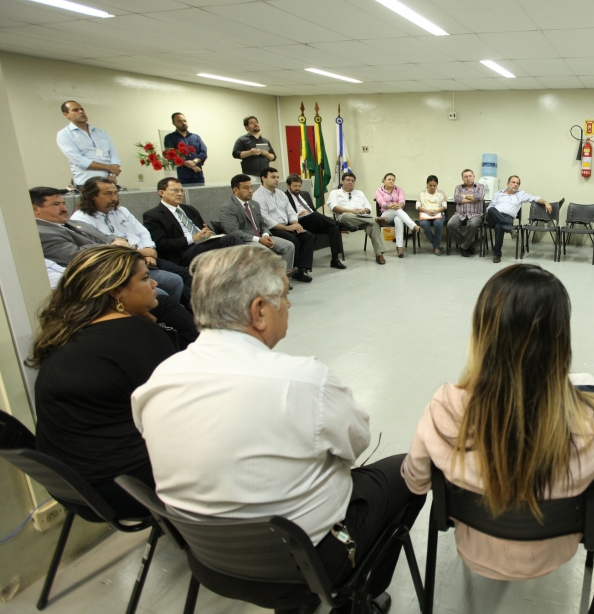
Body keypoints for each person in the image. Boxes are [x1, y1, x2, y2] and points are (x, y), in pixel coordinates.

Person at [132, 246, 421, 613]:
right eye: (283, 295)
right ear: (259, 311)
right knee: (407, 471)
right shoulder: (303, 380)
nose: (289, 304)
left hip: (208, 562)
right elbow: (355, 444)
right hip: (305, 568)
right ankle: (359, 595)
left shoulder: (158, 380)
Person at [401, 264, 594, 580]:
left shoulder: (443, 408)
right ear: (561, 341)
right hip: (553, 555)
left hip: (476, 552)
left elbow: (416, 482)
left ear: (481, 334)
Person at [29, 247, 177, 517]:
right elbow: (180, 410)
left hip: (72, 486)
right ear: (115, 292)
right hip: (127, 487)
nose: (154, 284)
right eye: (145, 278)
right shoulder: (135, 333)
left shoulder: (65, 330)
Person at [32, 186, 185, 305]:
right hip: (103, 276)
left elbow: (108, 237)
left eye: (63, 203)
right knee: (160, 294)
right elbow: (76, 255)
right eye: (56, 204)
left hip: (126, 263)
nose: (64, 208)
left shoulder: (74, 223)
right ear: (35, 209)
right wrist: (115, 246)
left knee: (174, 281)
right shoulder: (41, 232)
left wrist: (119, 242)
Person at [72, 177, 193, 307]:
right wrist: (142, 252)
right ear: (92, 196)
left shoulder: (121, 211)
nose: (114, 198)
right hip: (123, 266)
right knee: (172, 282)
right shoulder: (81, 219)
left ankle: (190, 311)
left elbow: (142, 232)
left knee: (184, 274)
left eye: (115, 193)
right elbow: (103, 249)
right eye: (108, 194)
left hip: (146, 258)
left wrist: (149, 249)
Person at [142, 177, 244, 267]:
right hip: (183, 251)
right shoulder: (153, 215)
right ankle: (249, 266)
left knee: (230, 244)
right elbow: (162, 245)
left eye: (181, 191)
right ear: (161, 193)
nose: (180, 194)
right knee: (230, 239)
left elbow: (203, 228)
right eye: (175, 190)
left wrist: (209, 233)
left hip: (204, 243)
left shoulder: (189, 209)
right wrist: (193, 238)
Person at [219, 174, 296, 273]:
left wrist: (265, 235)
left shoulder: (254, 204)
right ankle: (269, 279)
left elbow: (262, 224)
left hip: (260, 237)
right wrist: (258, 239)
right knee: (265, 251)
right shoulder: (228, 207)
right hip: (246, 241)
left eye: (251, 187)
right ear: (236, 190)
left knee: (289, 246)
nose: (250, 190)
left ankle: (282, 276)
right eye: (246, 188)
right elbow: (233, 232)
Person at [254, 168, 315, 282]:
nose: (277, 180)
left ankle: (302, 270)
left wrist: (295, 223)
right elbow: (264, 218)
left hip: (287, 225)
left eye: (277, 177)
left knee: (308, 236)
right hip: (273, 229)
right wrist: (287, 228)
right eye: (273, 177)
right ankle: (292, 270)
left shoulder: (281, 194)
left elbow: (290, 211)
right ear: (263, 178)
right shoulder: (258, 196)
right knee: (293, 239)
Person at [284, 174, 346, 270]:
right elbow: (286, 214)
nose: (297, 188)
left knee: (334, 228)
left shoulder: (305, 194)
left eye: (299, 186)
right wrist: (298, 214)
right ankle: (342, 224)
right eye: (295, 186)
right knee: (314, 215)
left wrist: (312, 214)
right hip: (299, 221)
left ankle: (335, 259)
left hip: (312, 220)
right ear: (288, 185)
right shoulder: (284, 196)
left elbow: (313, 209)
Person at [55, 100, 122, 189]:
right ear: (66, 114)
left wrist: (112, 175)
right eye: (75, 110)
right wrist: (108, 167)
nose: (81, 112)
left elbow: (114, 155)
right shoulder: (64, 134)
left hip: (108, 182)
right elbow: (78, 160)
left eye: (82, 109)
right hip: (86, 184)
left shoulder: (101, 132)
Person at [485, 176, 552, 263]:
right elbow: (490, 207)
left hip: (507, 217)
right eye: (513, 182)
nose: (515, 184)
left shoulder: (521, 194)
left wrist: (546, 202)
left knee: (499, 226)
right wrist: (495, 213)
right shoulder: (498, 193)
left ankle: (497, 255)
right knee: (491, 209)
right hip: (493, 217)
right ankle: (510, 228)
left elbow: (535, 198)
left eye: (517, 183)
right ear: (508, 183)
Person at [327, 172, 387, 265]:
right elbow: (334, 208)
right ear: (342, 181)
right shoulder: (335, 193)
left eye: (353, 181)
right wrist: (351, 211)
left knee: (374, 224)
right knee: (346, 215)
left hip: (361, 220)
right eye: (348, 180)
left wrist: (363, 210)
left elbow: (368, 207)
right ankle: (375, 218)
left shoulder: (359, 193)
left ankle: (379, 254)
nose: (351, 182)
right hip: (344, 219)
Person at [374, 173, 419, 258]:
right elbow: (381, 202)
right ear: (384, 180)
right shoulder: (379, 191)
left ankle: (399, 247)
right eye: (389, 179)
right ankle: (414, 226)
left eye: (393, 180)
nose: (391, 181)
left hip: (397, 212)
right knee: (397, 210)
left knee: (398, 219)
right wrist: (389, 206)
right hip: (385, 216)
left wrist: (400, 204)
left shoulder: (399, 190)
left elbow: (402, 199)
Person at [448, 169, 486, 257]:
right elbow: (457, 199)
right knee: (450, 224)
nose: (468, 178)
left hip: (476, 215)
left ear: (474, 176)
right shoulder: (458, 187)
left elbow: (479, 197)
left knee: (473, 224)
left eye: (470, 176)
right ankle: (467, 245)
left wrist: (464, 196)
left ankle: (464, 247)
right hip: (460, 214)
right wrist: (473, 199)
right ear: (462, 178)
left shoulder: (480, 186)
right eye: (465, 177)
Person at [163, 112, 208, 185]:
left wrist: (195, 162)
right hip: (183, 175)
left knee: (200, 191)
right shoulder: (169, 138)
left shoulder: (196, 137)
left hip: (198, 173)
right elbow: (171, 155)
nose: (183, 123)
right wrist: (192, 166)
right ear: (174, 123)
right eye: (180, 121)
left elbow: (203, 152)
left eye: (184, 121)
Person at [417, 175, 447, 255]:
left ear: (437, 185)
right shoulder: (422, 193)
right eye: (430, 185)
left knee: (438, 223)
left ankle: (436, 247)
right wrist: (426, 211)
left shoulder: (441, 193)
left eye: (434, 185)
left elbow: (444, 206)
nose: (432, 187)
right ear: (427, 184)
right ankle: (437, 245)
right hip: (425, 214)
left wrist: (437, 211)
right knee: (423, 224)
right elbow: (418, 206)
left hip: (438, 214)